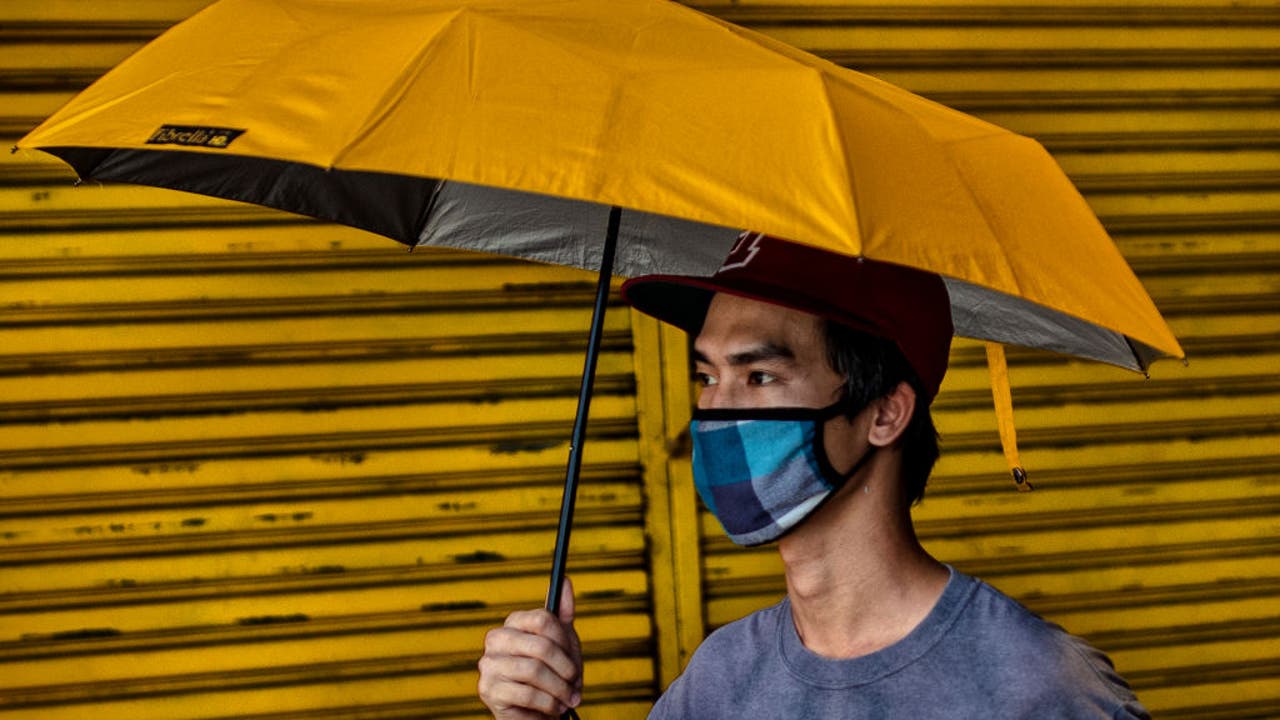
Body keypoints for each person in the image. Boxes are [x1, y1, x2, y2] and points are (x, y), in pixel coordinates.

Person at [477, 233, 1149, 719]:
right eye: (706, 376)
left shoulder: (1036, 687)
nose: (716, 412)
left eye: (759, 376)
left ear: (885, 413)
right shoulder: (718, 680)